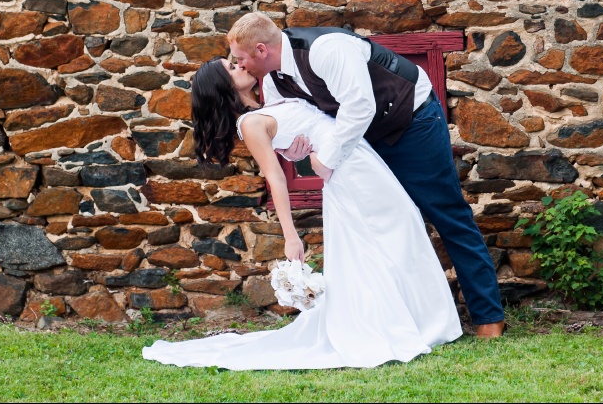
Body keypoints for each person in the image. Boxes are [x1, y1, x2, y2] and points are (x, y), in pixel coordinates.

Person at [142, 58, 462, 369]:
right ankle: (404, 326)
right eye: (231, 67)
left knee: (397, 231)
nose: (239, 64)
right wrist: (291, 236)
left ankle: (417, 322)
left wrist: (294, 150)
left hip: (355, 157)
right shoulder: (250, 124)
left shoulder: (270, 96)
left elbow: (301, 131)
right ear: (222, 86)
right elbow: (276, 178)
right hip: (348, 171)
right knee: (393, 233)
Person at [225, 13, 506, 338]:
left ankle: (488, 318)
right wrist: (297, 153)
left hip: (411, 122)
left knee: (447, 213)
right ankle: (402, 321)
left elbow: (360, 105)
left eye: (241, 58)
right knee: (380, 227)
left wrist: (326, 161)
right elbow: (294, 124)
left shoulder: (325, 48)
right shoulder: (274, 81)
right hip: (359, 148)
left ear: (261, 50)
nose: (240, 65)